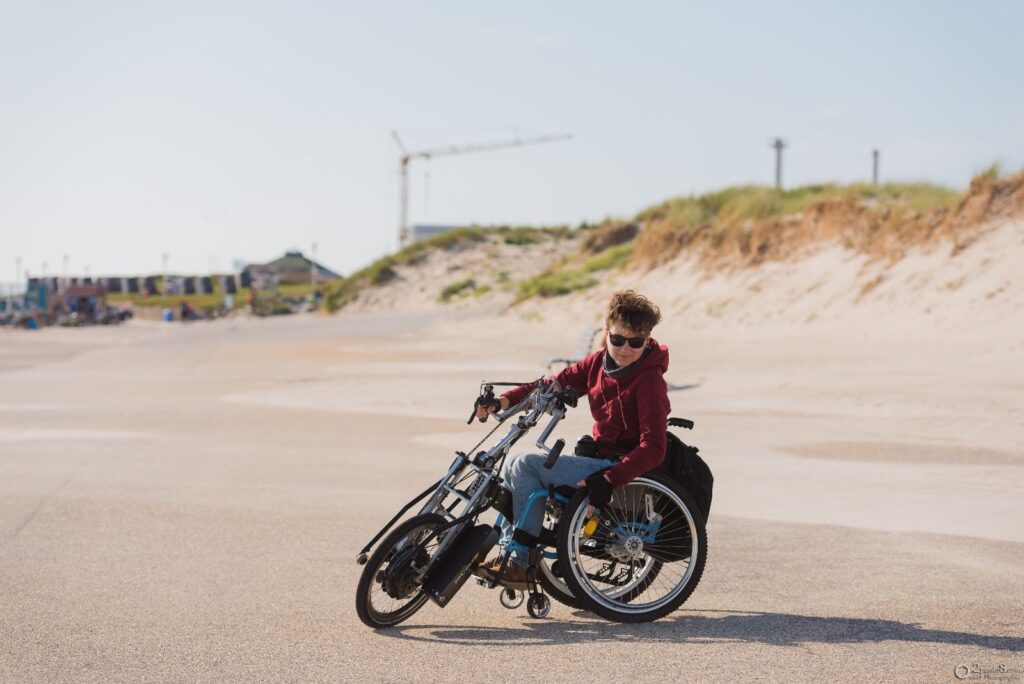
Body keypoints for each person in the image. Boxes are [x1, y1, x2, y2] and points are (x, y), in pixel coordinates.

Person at [473, 289, 671, 587]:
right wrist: (502, 402)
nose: (625, 349)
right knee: (512, 462)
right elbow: (551, 385)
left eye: (635, 342)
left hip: (620, 469)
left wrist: (609, 479)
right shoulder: (597, 364)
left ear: (647, 339)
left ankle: (521, 562)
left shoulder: (649, 380)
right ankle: (507, 549)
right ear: (607, 333)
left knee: (527, 465)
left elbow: (654, 448)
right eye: (617, 339)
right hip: (598, 458)